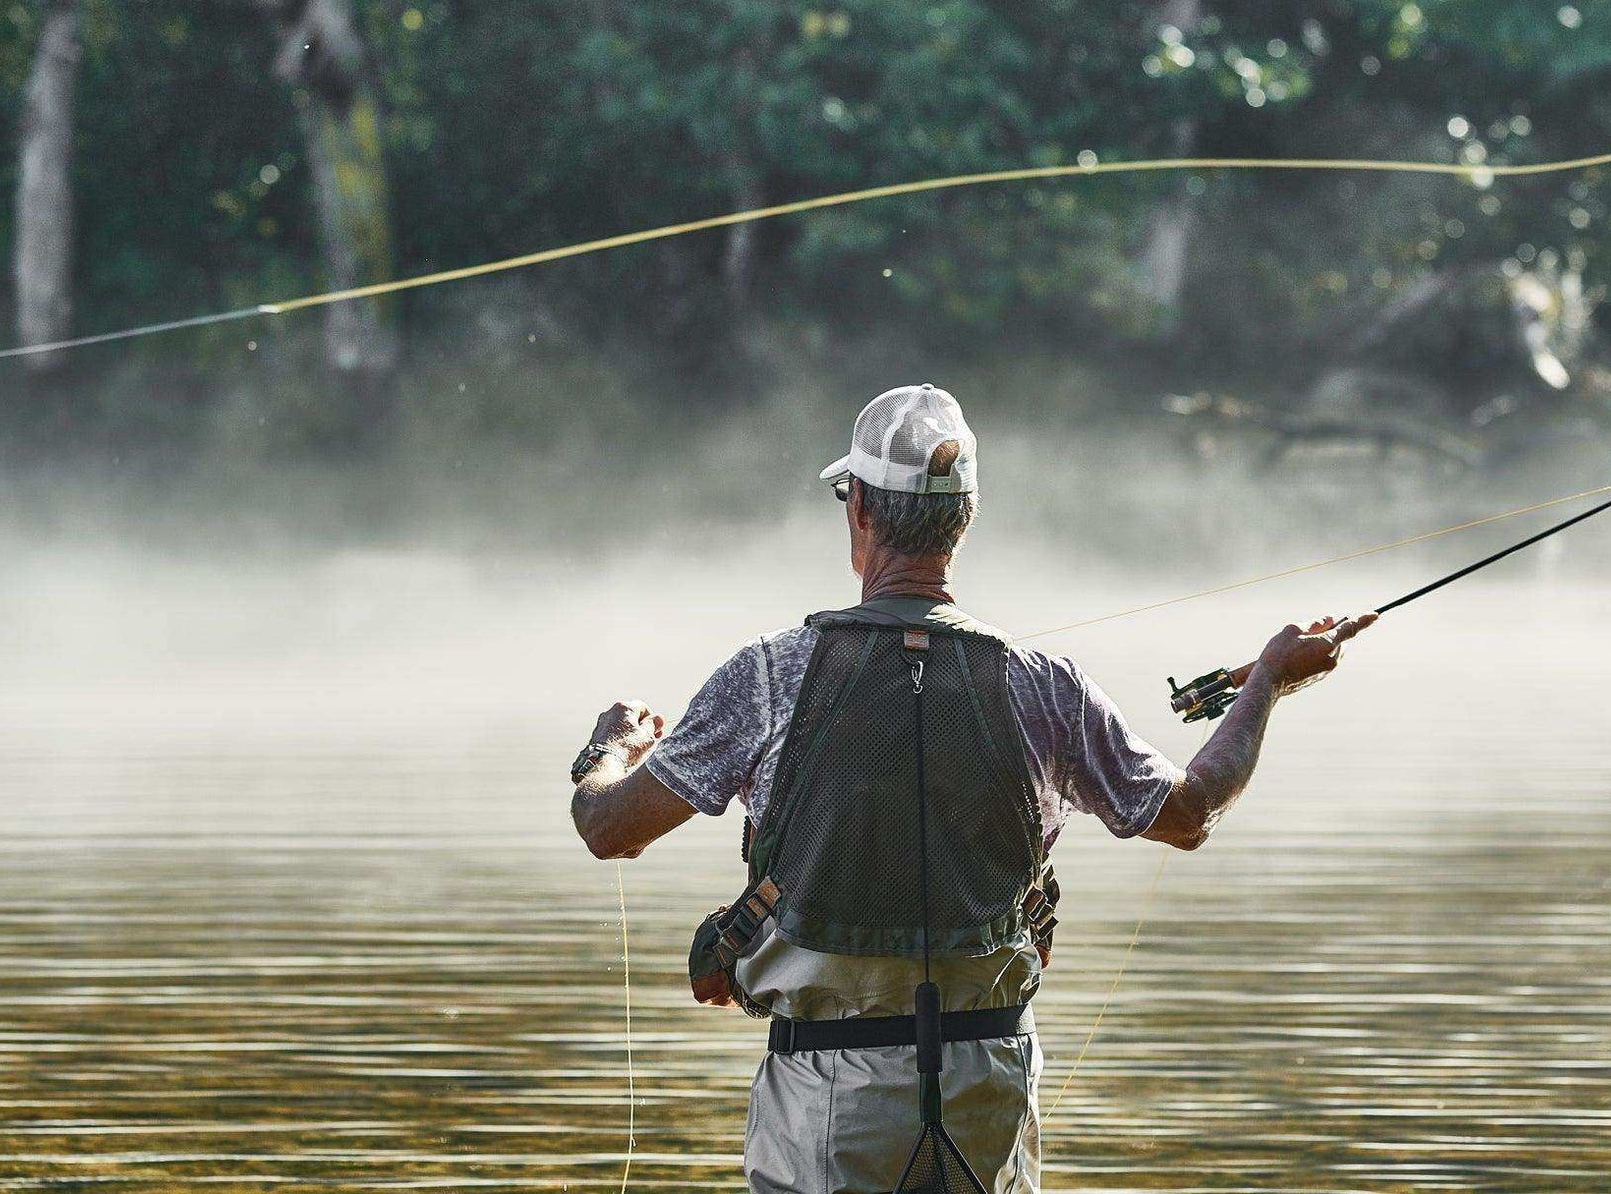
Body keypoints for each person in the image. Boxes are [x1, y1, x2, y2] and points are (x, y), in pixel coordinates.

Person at [566, 384, 1375, 1194]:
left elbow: (608, 827)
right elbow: (1194, 810)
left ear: (861, 514)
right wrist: (1268, 680)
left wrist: (613, 746)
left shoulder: (771, 677)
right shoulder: (1045, 686)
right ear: (964, 519)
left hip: (827, 1100)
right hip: (988, 1091)